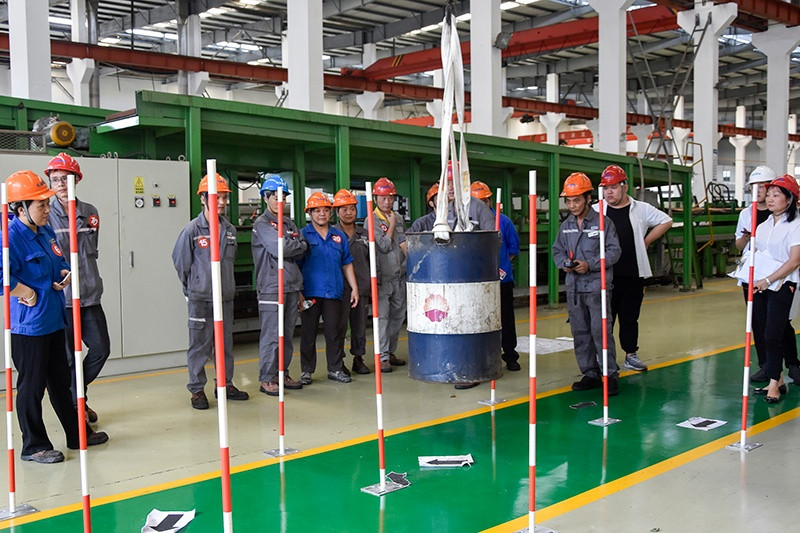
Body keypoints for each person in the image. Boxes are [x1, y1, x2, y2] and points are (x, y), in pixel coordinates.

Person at [1, 170, 108, 464]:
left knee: (61, 382)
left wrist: (63, 274)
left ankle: (77, 434)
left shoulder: (44, 231)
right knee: (32, 387)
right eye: (41, 205)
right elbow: (1, 277)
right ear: (21, 208)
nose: (48, 209)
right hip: (29, 327)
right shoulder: (10, 237)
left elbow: (59, 259)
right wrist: (26, 291)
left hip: (53, 319)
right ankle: (34, 446)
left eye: (47, 203)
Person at [172, 173, 249, 410]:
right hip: (201, 298)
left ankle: (225, 384)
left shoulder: (230, 230)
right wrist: (194, 286)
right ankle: (197, 390)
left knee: (224, 345)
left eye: (225, 197)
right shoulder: (192, 230)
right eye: (218, 197)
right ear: (203, 199)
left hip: (224, 298)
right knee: (199, 346)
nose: (223, 202)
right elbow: (181, 262)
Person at [44, 153, 110, 425]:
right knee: (70, 358)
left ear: (77, 180)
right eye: (55, 179)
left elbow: (92, 250)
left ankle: (76, 392)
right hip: (64, 301)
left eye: (66, 178)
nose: (60, 184)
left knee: (101, 349)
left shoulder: (90, 212)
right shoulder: (46, 215)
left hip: (90, 295)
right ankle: (77, 404)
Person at [594, 165, 673, 372]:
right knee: (605, 318)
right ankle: (603, 357)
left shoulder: (641, 209)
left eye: (613, 187)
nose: (609, 192)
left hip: (632, 272)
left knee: (629, 317)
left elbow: (666, 221)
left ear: (625, 186)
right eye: (605, 188)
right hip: (605, 274)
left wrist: (646, 241)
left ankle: (630, 354)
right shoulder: (596, 210)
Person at [552, 172, 622, 395]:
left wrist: (590, 264)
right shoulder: (566, 226)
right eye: (569, 201)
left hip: (596, 288)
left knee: (601, 332)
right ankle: (590, 372)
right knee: (580, 332)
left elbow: (614, 251)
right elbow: (557, 250)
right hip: (574, 289)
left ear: (588, 198)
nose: (572, 205)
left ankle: (609, 374)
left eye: (577, 200)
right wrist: (564, 263)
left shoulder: (603, 223)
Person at [732, 166, 800, 383]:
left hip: (781, 279)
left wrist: (770, 278)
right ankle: (768, 368)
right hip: (755, 276)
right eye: (755, 188)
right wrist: (747, 238)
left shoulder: (792, 220)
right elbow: (741, 246)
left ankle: (792, 364)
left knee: (780, 324)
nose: (762, 193)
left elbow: (794, 257)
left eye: (765, 188)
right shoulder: (748, 215)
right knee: (758, 321)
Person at [251, 175, 306, 396]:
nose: (280, 201)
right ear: (266, 198)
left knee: (287, 335)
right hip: (271, 287)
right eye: (275, 197)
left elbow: (303, 246)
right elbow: (278, 248)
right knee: (272, 335)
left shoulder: (289, 223)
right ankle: (267, 378)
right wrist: (294, 244)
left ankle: (281, 373)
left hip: (292, 285)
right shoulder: (262, 223)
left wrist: (293, 244)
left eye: (283, 197)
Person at [298, 192, 359, 384]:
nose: (322, 214)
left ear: (330, 213)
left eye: (325, 210)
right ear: (310, 213)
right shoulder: (302, 235)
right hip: (310, 292)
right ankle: (306, 371)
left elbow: (347, 263)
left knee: (334, 332)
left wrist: (354, 288)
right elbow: (295, 266)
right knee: (308, 333)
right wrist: (298, 293)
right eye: (317, 211)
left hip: (334, 291)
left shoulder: (338, 236)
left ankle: (335, 368)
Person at [751, 175, 800, 402]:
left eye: (776, 195)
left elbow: (795, 260)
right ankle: (778, 378)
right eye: (768, 194)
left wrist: (769, 279)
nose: (770, 198)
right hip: (762, 284)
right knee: (763, 331)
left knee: (773, 333)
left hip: (783, 284)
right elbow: (757, 254)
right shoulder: (763, 226)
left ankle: (773, 384)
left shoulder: (796, 225)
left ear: (789, 199)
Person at [470, 181, 522, 372]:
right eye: (477, 202)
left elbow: (513, 249)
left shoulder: (503, 221)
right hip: (476, 281)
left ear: (491, 200)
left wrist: (500, 266)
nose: (482, 205)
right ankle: (483, 357)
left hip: (501, 279)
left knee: (506, 318)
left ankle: (510, 355)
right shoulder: (466, 223)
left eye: (485, 201)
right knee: (480, 319)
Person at [333, 189, 371, 375]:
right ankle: (338, 361)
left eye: (352, 209)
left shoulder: (365, 234)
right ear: (337, 212)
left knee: (359, 326)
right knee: (339, 326)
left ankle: (358, 358)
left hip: (362, 287)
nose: (349, 213)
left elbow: (373, 260)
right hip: (339, 289)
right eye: (344, 209)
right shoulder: (332, 233)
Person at [372, 178, 408, 373]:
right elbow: (384, 246)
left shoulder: (398, 217)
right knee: (383, 319)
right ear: (375, 199)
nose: (387, 202)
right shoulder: (372, 220)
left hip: (399, 276)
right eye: (383, 198)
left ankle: (391, 351)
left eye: (390, 198)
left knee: (398, 316)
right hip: (382, 279)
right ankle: (383, 356)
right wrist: (392, 225)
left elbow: (403, 243)